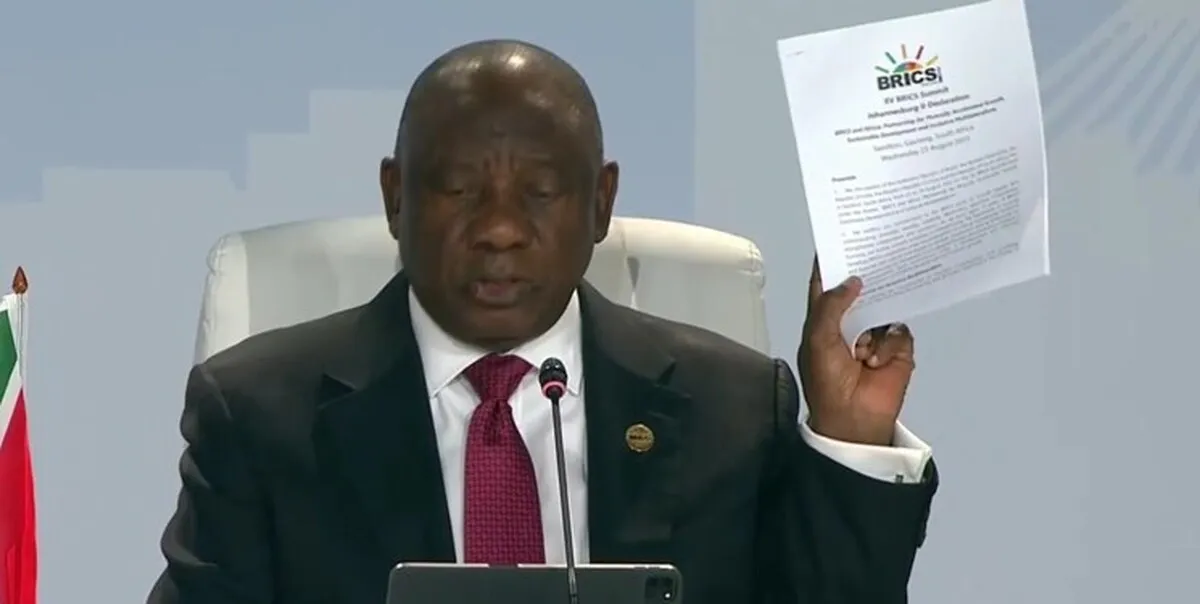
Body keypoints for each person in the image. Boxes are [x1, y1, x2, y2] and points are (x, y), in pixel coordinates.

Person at [147, 39, 937, 604]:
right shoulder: (258, 415)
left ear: (600, 203)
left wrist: (852, 439)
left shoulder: (731, 408)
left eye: (541, 192)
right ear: (395, 197)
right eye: (459, 189)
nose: (499, 229)